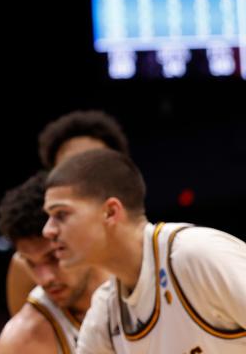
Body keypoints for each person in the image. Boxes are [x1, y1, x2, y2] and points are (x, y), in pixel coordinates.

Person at [43, 149, 246, 353]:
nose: (48, 230)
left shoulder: (196, 253)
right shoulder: (105, 310)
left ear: (111, 212)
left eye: (61, 214)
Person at [6, 111, 130, 316]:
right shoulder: (26, 263)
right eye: (71, 169)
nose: (84, 180)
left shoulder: (147, 247)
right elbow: (24, 337)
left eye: (95, 167)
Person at [0, 172, 105, 354]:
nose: (44, 278)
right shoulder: (24, 338)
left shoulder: (142, 280)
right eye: (31, 263)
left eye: (53, 257)